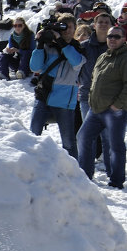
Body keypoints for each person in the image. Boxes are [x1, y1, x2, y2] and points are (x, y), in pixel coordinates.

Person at [78, 25, 127, 188]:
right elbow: (94, 79)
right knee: (83, 137)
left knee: (115, 145)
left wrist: (116, 105)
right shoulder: (103, 56)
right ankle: (85, 174)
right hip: (96, 108)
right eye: (110, 36)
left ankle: (116, 180)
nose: (112, 39)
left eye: (116, 37)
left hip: (115, 111)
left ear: (124, 39)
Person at [29, 15, 84, 159]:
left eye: (69, 27)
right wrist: (40, 45)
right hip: (43, 96)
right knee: (33, 136)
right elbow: (35, 67)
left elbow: (76, 62)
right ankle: (30, 166)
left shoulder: (78, 47)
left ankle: (74, 174)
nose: (65, 30)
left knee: (69, 143)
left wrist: (60, 41)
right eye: (62, 26)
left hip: (64, 102)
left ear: (74, 29)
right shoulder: (49, 46)